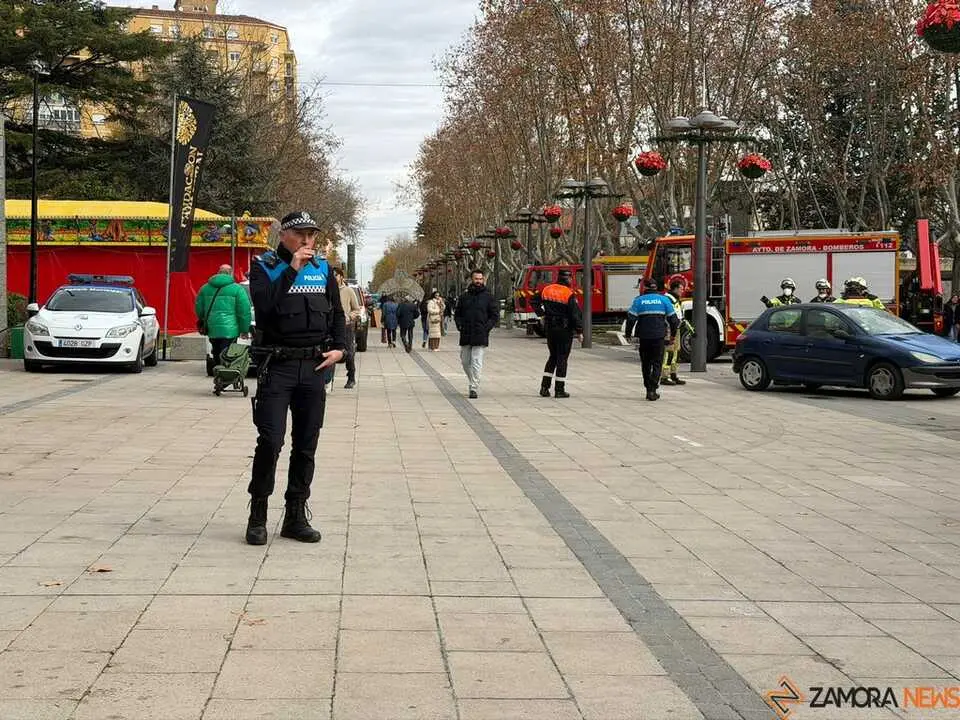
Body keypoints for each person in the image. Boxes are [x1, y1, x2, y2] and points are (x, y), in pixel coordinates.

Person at [245, 210, 345, 546]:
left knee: (307, 444)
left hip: (314, 367)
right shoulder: (265, 266)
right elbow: (265, 305)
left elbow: (338, 313)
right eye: (300, 234)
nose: (307, 241)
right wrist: (292, 269)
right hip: (279, 365)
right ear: (283, 235)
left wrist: (341, 349)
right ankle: (258, 512)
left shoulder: (324, 270)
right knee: (271, 441)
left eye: (312, 235)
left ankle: (296, 513)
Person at [625, 278, 680, 402]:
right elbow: (674, 320)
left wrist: (628, 334)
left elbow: (630, 319)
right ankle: (653, 390)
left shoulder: (638, 301)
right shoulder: (664, 300)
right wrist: (673, 336)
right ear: (656, 287)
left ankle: (648, 388)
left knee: (646, 363)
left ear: (645, 287)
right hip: (659, 336)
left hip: (644, 337)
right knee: (657, 363)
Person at [533, 269, 582, 398]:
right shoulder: (568, 293)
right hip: (564, 329)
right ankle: (559, 389)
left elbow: (533, 301)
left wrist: (542, 315)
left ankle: (544, 387)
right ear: (567, 279)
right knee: (562, 358)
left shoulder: (547, 289)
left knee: (552, 357)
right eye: (571, 278)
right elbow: (575, 314)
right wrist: (580, 331)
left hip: (549, 328)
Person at [195, 264, 253, 366]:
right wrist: (244, 329)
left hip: (212, 327)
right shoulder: (237, 289)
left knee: (216, 350)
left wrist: (203, 319)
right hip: (231, 329)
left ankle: (218, 369)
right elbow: (244, 311)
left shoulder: (204, 288)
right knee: (227, 352)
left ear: (218, 272)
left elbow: (199, 308)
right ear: (231, 273)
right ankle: (225, 372)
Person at [455, 269, 498, 399]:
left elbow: (494, 315)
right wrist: (459, 324)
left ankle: (473, 387)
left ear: (483, 280)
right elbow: (458, 313)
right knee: (465, 361)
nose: (478, 281)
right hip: (466, 332)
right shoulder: (464, 296)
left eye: (480, 279)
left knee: (476, 361)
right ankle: (472, 380)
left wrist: (487, 328)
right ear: (471, 279)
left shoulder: (488, 297)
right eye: (476, 279)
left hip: (480, 333)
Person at [660, 278, 691, 387]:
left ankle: (673, 374)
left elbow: (679, 316)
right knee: (669, 352)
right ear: (675, 289)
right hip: (669, 329)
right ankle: (664, 376)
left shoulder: (675, 299)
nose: (682, 291)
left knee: (676, 353)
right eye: (681, 289)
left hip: (676, 328)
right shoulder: (668, 299)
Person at [334, 266, 361, 389]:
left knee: (349, 353)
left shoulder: (348, 291)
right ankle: (328, 380)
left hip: (345, 326)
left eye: (336, 275)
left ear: (341, 277)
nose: (334, 277)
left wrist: (349, 317)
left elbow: (356, 309)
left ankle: (351, 377)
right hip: (331, 326)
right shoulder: (327, 289)